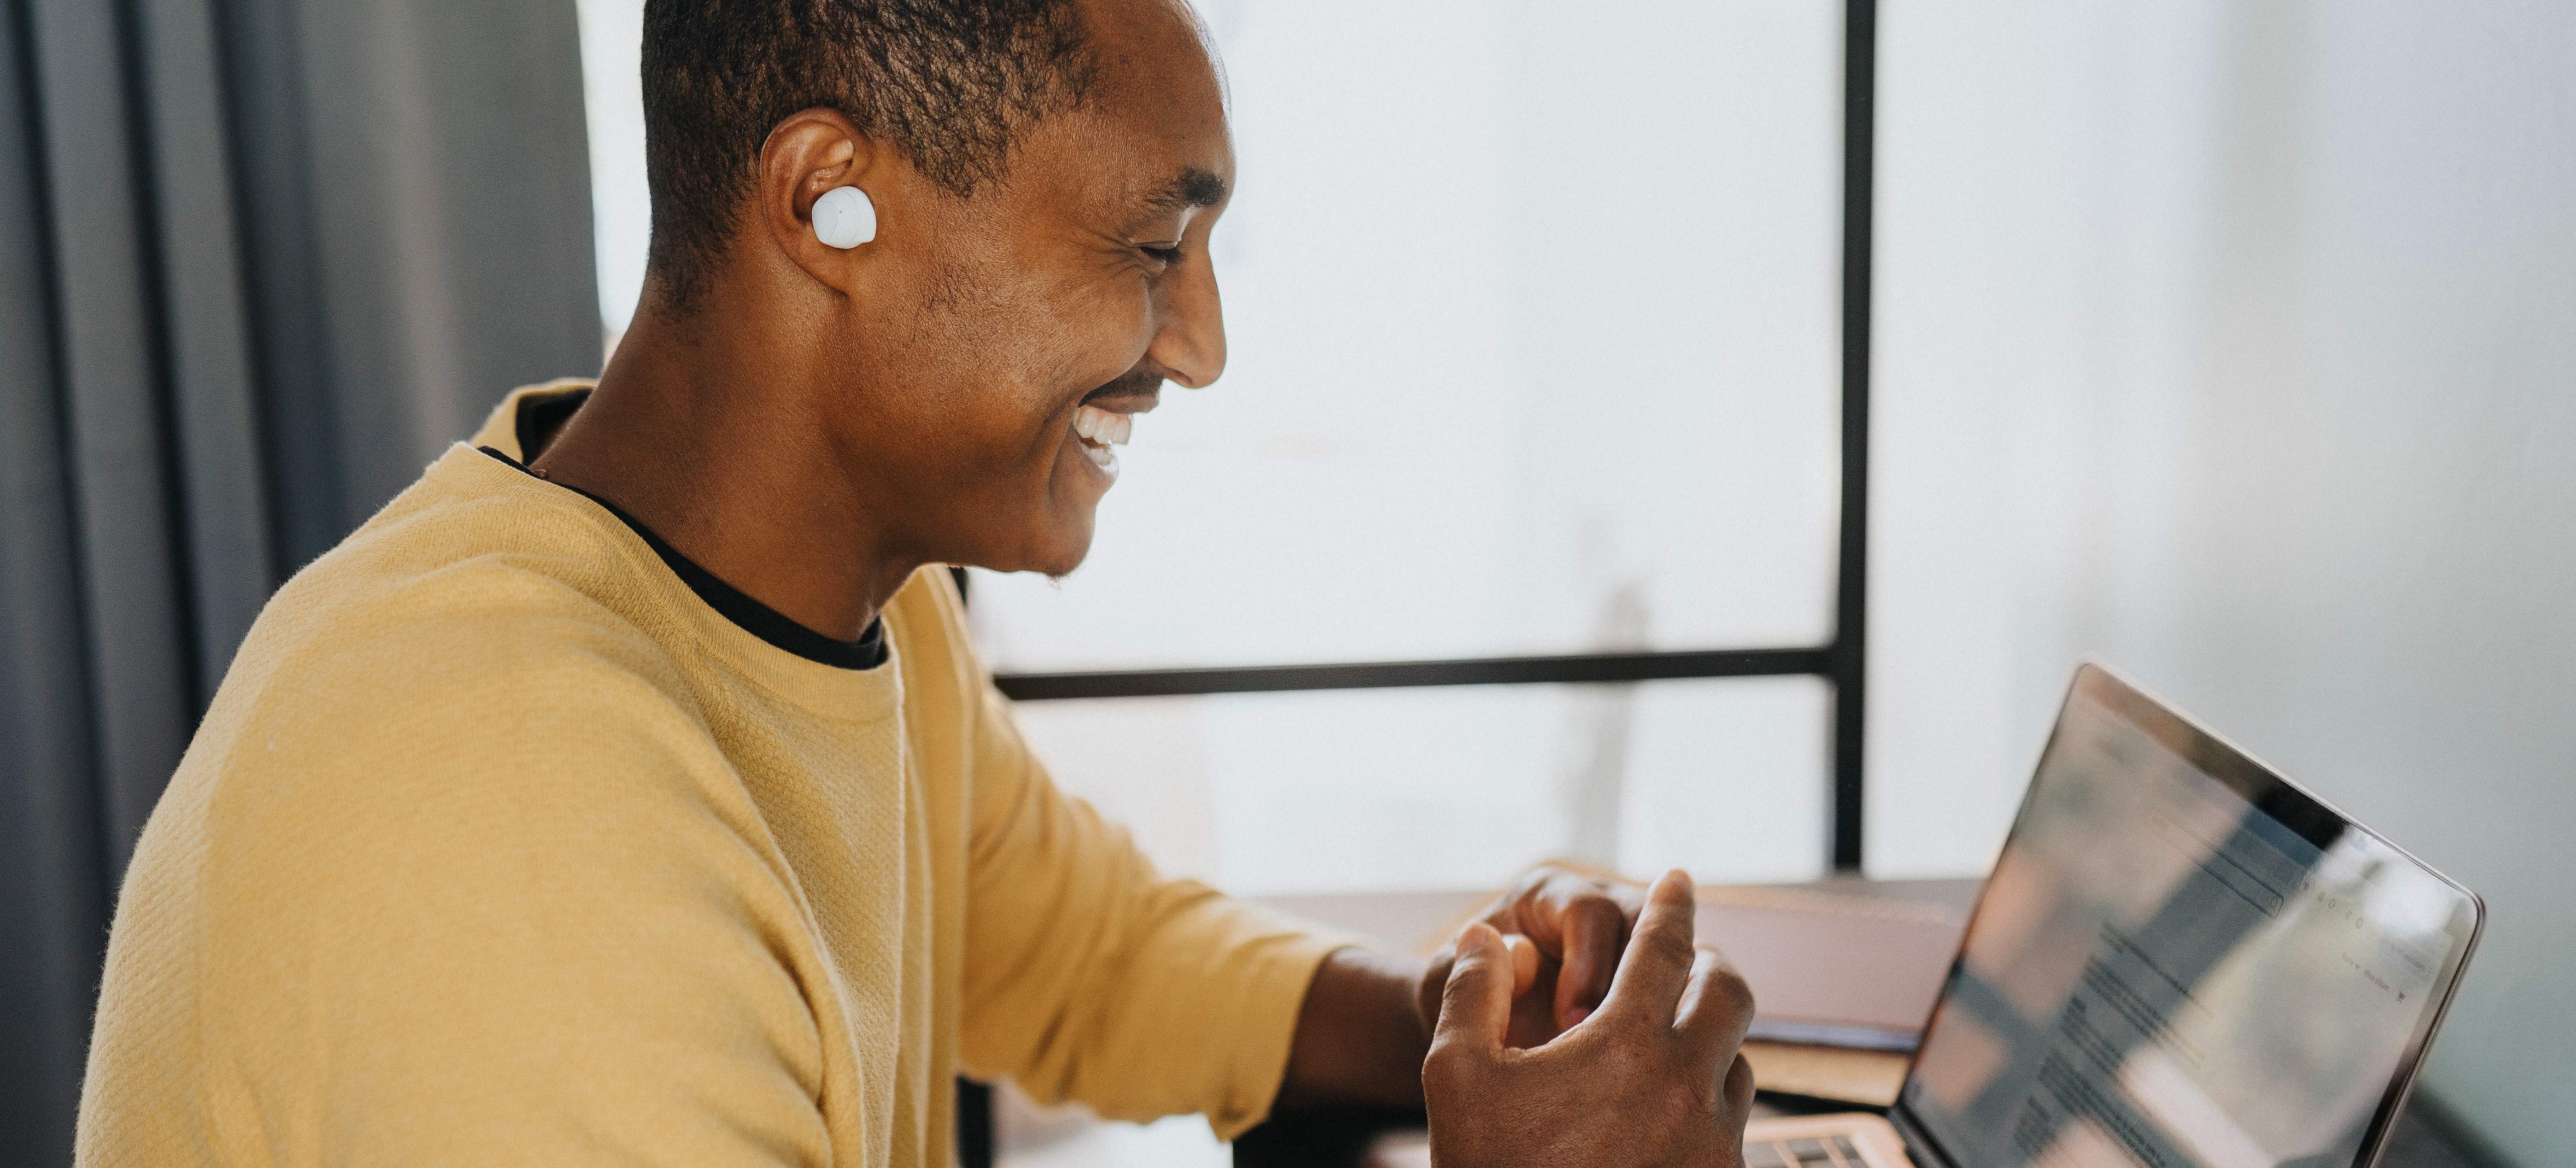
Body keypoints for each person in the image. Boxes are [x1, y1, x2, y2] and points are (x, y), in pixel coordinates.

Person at [75, 0, 1757, 1164]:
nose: (1203, 348)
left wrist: (1470, 1034)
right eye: (1154, 250)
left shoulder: (838, 606)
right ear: (832, 201)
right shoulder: (520, 817)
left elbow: (1078, 955)